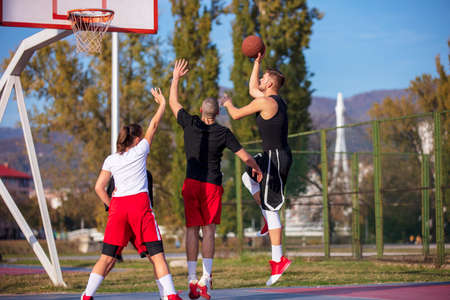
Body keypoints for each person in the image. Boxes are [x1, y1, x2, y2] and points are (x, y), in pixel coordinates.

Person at [169, 59, 263, 300]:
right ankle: (205, 277)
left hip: (191, 182)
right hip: (212, 184)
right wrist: (257, 169)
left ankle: (191, 277)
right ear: (219, 113)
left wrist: (176, 78)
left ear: (201, 111)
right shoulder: (224, 133)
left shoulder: (189, 123)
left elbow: (173, 102)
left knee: (192, 228)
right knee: (208, 229)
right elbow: (245, 157)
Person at [81, 88, 182, 300]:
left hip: (118, 207)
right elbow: (154, 125)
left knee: (106, 257)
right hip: (139, 206)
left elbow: (99, 187)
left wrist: (111, 204)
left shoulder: (111, 159)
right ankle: (171, 295)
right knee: (157, 255)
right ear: (136, 139)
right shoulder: (141, 150)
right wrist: (162, 103)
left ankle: (86, 296)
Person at [221, 52, 293, 286]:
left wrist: (228, 103)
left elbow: (236, 114)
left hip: (276, 158)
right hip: (272, 155)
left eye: (263, 78)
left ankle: (278, 259)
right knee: (247, 176)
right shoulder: (273, 100)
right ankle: (266, 214)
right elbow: (253, 88)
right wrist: (257, 63)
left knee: (272, 209)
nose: (260, 81)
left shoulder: (266, 102)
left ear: (270, 83)